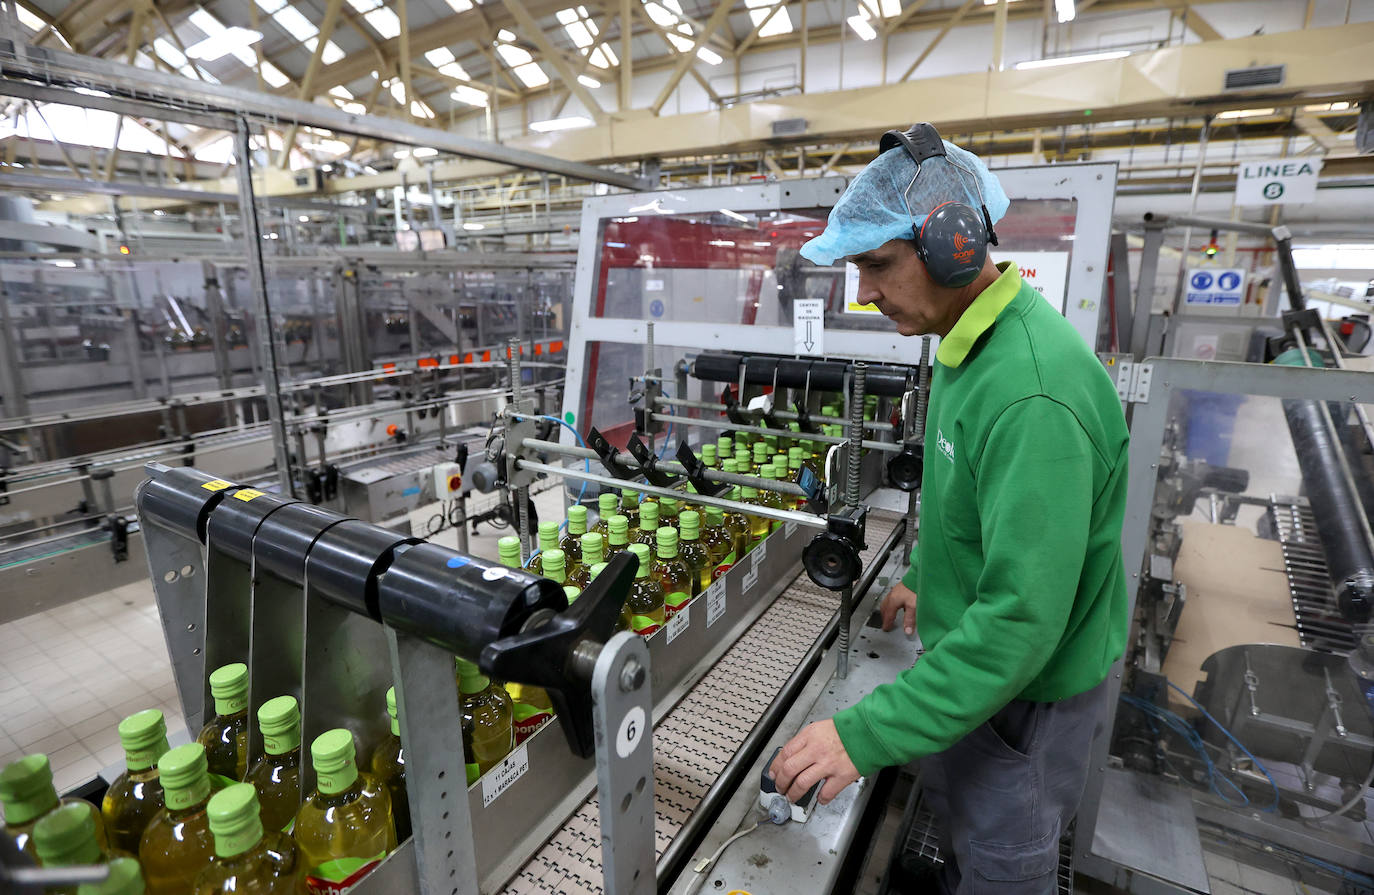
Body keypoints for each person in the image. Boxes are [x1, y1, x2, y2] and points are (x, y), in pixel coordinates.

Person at [768, 124, 1130, 894]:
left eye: (875, 265)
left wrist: (861, 734)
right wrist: (930, 573)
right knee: (965, 842)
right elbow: (975, 504)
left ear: (953, 246)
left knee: (1004, 868)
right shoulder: (968, 347)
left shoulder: (1033, 391)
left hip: (1027, 706)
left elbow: (1020, 623)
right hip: (985, 683)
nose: (863, 292)